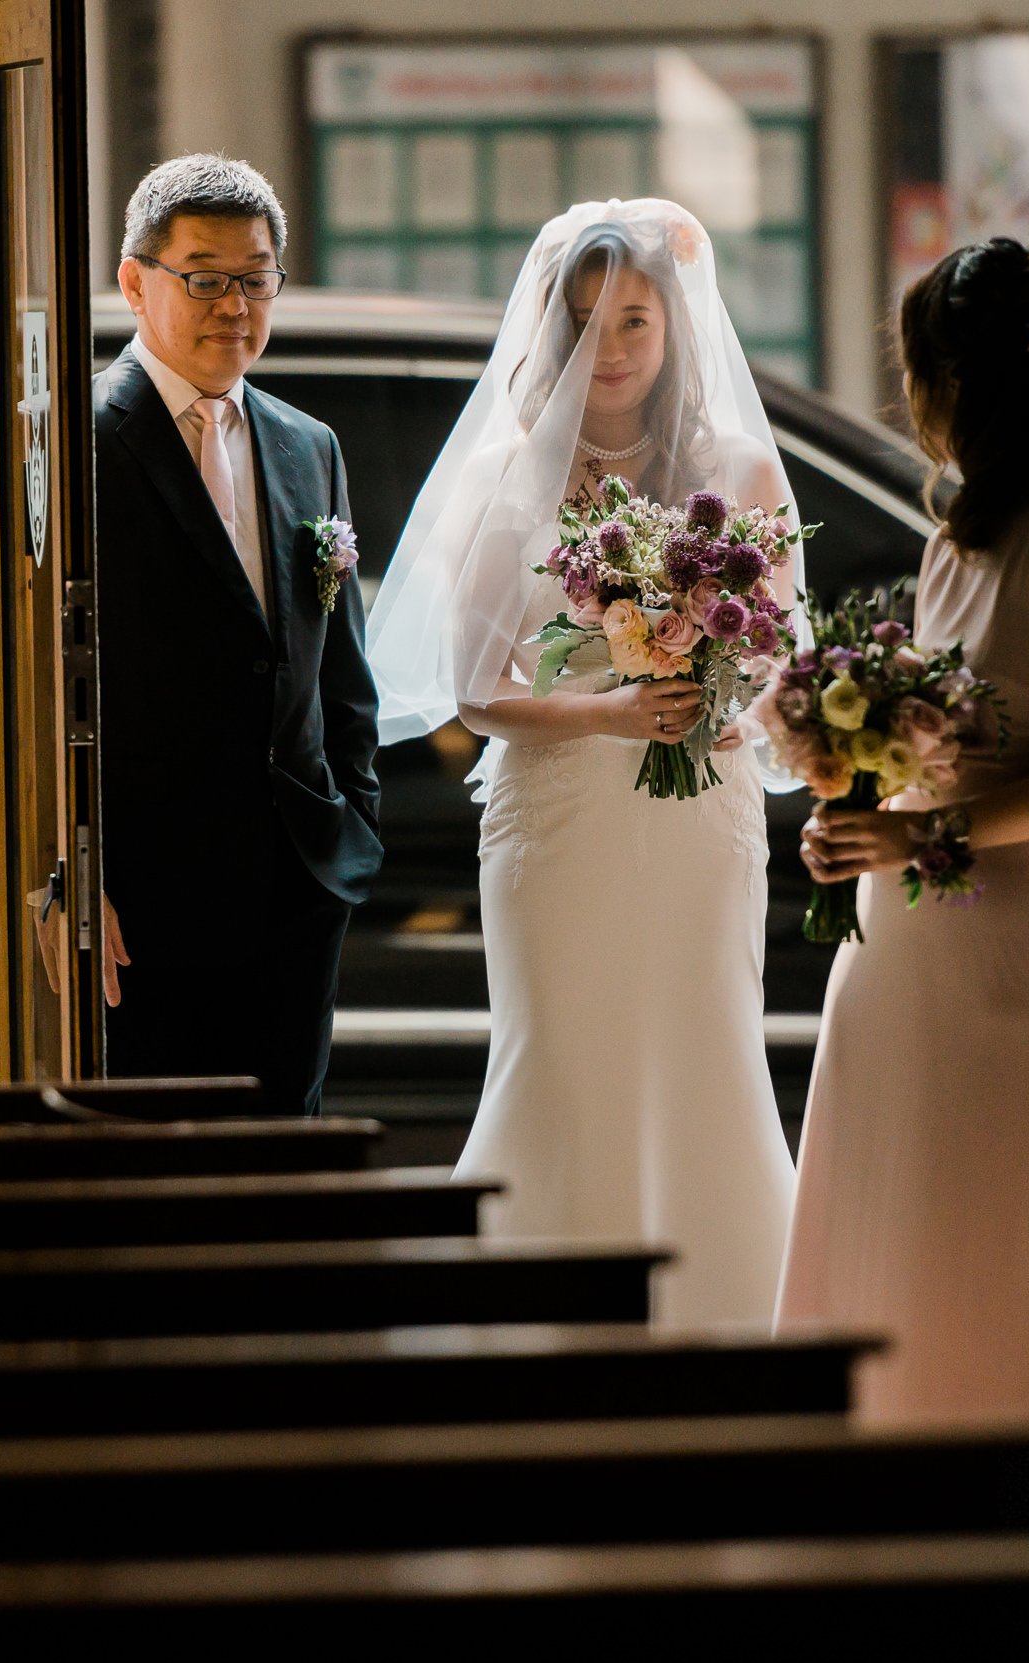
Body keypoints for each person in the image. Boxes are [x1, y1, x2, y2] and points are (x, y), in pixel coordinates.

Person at [366, 200, 806, 1327]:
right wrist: (610, 715)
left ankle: (726, 1319)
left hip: (696, 820)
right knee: (563, 1063)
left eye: (633, 322)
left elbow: (776, 654)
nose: (608, 351)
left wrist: (729, 709)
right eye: (584, 322)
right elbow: (475, 688)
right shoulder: (511, 468)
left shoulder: (738, 465)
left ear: (675, 328)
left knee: (703, 1059)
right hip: (558, 819)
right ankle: (536, 1324)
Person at [779, 237, 1029, 1419]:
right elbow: (936, 729)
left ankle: (994, 1473)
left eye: (923, 375)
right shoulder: (962, 537)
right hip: (899, 939)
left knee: (990, 1219)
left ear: (966, 384)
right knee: (887, 1196)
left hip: (1007, 942)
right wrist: (853, 795)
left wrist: (925, 841)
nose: (918, 403)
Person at [68, 154, 381, 1115]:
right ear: (134, 282)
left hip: (295, 884)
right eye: (204, 277)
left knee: (290, 1164)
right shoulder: (73, 441)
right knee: (156, 1174)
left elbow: (341, 673)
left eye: (255, 278)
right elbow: (33, 676)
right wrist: (68, 870)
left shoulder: (306, 443)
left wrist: (350, 821)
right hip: (141, 902)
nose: (234, 304)